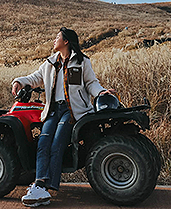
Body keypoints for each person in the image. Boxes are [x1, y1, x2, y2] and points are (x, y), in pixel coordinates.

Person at [11, 27, 115, 207]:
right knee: (43, 143)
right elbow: (36, 77)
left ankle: (45, 187)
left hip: (72, 111)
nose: (54, 40)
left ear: (66, 41)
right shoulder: (50, 63)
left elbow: (91, 83)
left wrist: (101, 92)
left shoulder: (82, 61)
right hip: (53, 110)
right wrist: (19, 81)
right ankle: (40, 184)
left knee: (57, 144)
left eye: (57, 37)